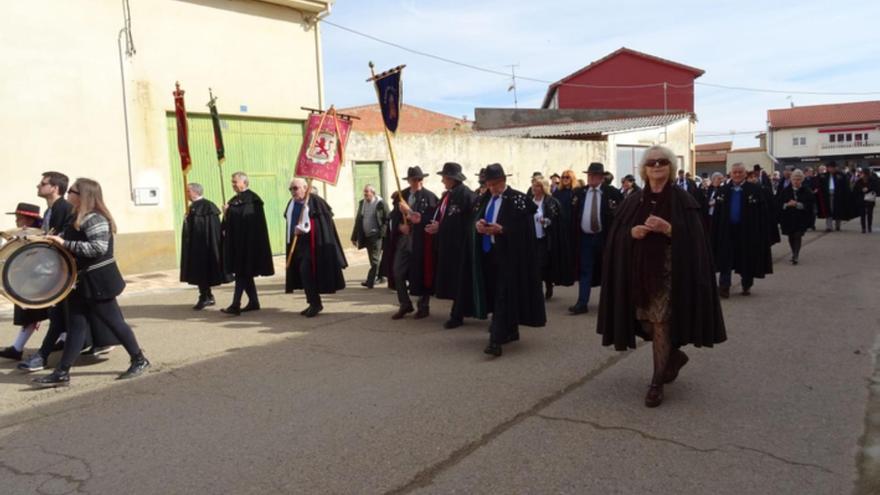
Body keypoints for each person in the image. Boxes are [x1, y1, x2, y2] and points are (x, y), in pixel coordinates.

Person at [598, 144, 726, 408]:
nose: (657, 166)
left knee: (660, 324)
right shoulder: (633, 200)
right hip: (639, 273)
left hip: (671, 275)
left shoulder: (683, 200)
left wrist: (670, 229)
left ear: (671, 168)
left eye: (663, 162)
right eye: (652, 162)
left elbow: (698, 241)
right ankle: (674, 356)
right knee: (644, 323)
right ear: (644, 169)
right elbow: (617, 236)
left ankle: (657, 382)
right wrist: (631, 234)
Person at [34, 178, 150, 387]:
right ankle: (62, 371)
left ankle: (139, 359)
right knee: (76, 326)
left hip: (98, 281)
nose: (68, 194)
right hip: (81, 281)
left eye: (71, 191)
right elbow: (66, 241)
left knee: (115, 323)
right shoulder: (76, 217)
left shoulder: (95, 218)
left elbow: (98, 248)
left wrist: (65, 243)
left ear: (83, 195)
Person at [472, 163, 546, 357]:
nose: (491, 188)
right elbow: (477, 217)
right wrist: (479, 226)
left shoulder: (518, 200)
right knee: (497, 293)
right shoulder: (485, 199)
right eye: (488, 184)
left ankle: (495, 340)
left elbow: (525, 231)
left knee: (503, 296)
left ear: (503, 181)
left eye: (495, 183)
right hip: (489, 253)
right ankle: (511, 330)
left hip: (511, 256)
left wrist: (503, 230)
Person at [380, 167, 438, 320]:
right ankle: (405, 303)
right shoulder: (401, 195)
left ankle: (423, 306)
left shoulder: (430, 197)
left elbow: (430, 219)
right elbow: (393, 217)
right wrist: (400, 226)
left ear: (421, 180)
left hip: (421, 241)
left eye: (417, 180)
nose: (414, 182)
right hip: (403, 241)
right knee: (397, 271)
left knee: (421, 272)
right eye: (412, 180)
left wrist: (409, 212)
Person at [285, 178, 347, 317]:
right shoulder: (291, 204)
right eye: (291, 189)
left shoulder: (315, 202)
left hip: (313, 244)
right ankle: (313, 302)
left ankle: (315, 304)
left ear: (305, 188)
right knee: (302, 274)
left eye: (295, 188)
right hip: (297, 244)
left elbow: (322, 224)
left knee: (306, 271)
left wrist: (305, 228)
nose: (292, 192)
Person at [710, 162, 774, 298]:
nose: (737, 175)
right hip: (727, 232)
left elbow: (763, 214)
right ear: (731, 174)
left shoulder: (755, 190)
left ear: (745, 174)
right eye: (735, 172)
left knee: (746, 258)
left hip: (747, 233)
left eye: (740, 172)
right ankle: (724, 287)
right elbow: (716, 215)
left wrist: (763, 233)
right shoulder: (723, 191)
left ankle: (746, 284)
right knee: (725, 260)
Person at [426, 162, 477, 329]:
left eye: (444, 178)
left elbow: (465, 223)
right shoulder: (448, 195)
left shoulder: (466, 196)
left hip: (459, 247)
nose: (442, 181)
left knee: (459, 280)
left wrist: (441, 227)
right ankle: (458, 312)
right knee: (454, 281)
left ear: (452, 179)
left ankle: (457, 315)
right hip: (447, 245)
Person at [569, 162, 622, 314]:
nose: (591, 178)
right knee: (585, 270)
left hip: (604, 238)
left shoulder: (612, 193)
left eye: (594, 175)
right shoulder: (580, 193)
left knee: (607, 270)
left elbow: (619, 215)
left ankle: (608, 303)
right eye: (589, 175)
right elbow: (573, 216)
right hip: (585, 238)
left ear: (601, 177)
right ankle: (582, 302)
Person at [0, 203, 49, 361]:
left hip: (39, 281)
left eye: (19, 218)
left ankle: (64, 341)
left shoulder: (38, 236)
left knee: (45, 314)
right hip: (26, 280)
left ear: (28, 220)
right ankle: (17, 348)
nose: (16, 221)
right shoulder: (21, 237)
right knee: (30, 315)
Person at [221, 172, 275, 315]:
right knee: (244, 273)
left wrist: (230, 212)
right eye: (232, 182)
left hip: (249, 243)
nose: (233, 185)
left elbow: (248, 221)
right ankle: (253, 302)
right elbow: (231, 224)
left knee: (241, 273)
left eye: (235, 182)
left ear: (244, 182)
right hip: (237, 243)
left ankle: (235, 304)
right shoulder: (234, 200)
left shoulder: (252, 199)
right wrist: (226, 213)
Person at [180, 183, 229, 310]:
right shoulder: (193, 207)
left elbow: (207, 229)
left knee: (203, 272)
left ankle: (205, 297)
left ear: (195, 192)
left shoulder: (207, 206)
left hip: (205, 246)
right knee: (199, 272)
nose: (186, 194)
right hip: (197, 247)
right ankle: (207, 296)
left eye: (188, 191)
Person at [530, 177, 569, 300]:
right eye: (534, 186)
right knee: (534, 265)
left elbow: (556, 220)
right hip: (532, 237)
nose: (535, 188)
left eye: (538, 186)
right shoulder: (529, 201)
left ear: (543, 188)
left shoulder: (550, 201)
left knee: (543, 264)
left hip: (545, 238)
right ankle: (536, 289)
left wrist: (546, 221)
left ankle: (548, 285)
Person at [351, 184, 388, 288]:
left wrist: (382, 233)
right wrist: (354, 237)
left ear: (373, 193)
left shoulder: (380, 203)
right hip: (366, 236)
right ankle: (382, 276)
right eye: (364, 192)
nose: (365, 194)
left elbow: (387, 218)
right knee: (372, 260)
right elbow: (358, 220)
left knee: (375, 259)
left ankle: (370, 281)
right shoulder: (362, 203)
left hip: (376, 235)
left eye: (367, 192)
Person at [778, 169, 815, 264]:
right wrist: (787, 204)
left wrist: (797, 204)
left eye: (798, 179)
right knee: (791, 236)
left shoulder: (806, 190)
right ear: (791, 179)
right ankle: (793, 252)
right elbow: (779, 203)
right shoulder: (785, 191)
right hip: (788, 217)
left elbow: (810, 204)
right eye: (794, 179)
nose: (796, 181)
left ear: (802, 179)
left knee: (798, 235)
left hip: (801, 218)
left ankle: (796, 255)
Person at [551, 169, 578, 288]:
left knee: (571, 251)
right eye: (563, 177)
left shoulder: (576, 192)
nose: (565, 179)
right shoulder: (557, 193)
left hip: (572, 225)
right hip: (559, 225)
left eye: (567, 177)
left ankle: (571, 276)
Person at [817, 161, 853, 232]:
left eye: (832, 168)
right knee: (828, 210)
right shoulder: (824, 176)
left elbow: (845, 187)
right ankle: (829, 226)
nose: (830, 169)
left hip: (838, 196)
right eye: (829, 168)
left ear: (835, 168)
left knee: (838, 210)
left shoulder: (841, 175)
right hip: (827, 196)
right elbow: (820, 186)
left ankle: (837, 225)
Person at [853, 167, 879, 233]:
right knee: (862, 214)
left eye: (865, 174)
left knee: (870, 213)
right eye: (863, 174)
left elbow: (876, 188)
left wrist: (868, 189)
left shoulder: (873, 180)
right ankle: (863, 228)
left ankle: (869, 226)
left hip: (870, 199)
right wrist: (861, 189)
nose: (864, 176)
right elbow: (855, 190)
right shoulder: (859, 181)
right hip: (861, 200)